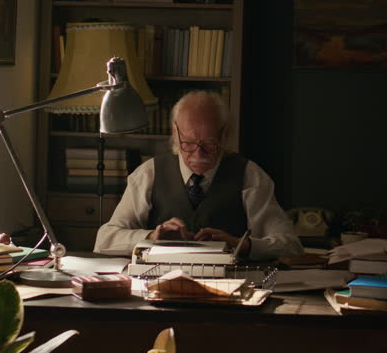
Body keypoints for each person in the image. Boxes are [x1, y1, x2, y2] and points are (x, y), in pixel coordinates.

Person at [94, 91, 303, 260]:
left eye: (209, 143)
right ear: (175, 135)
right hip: (158, 288)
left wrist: (242, 244)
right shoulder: (149, 174)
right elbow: (105, 240)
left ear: (224, 135)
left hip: (230, 293)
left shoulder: (250, 176)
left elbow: (291, 245)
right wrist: (151, 236)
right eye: (189, 143)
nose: (198, 154)